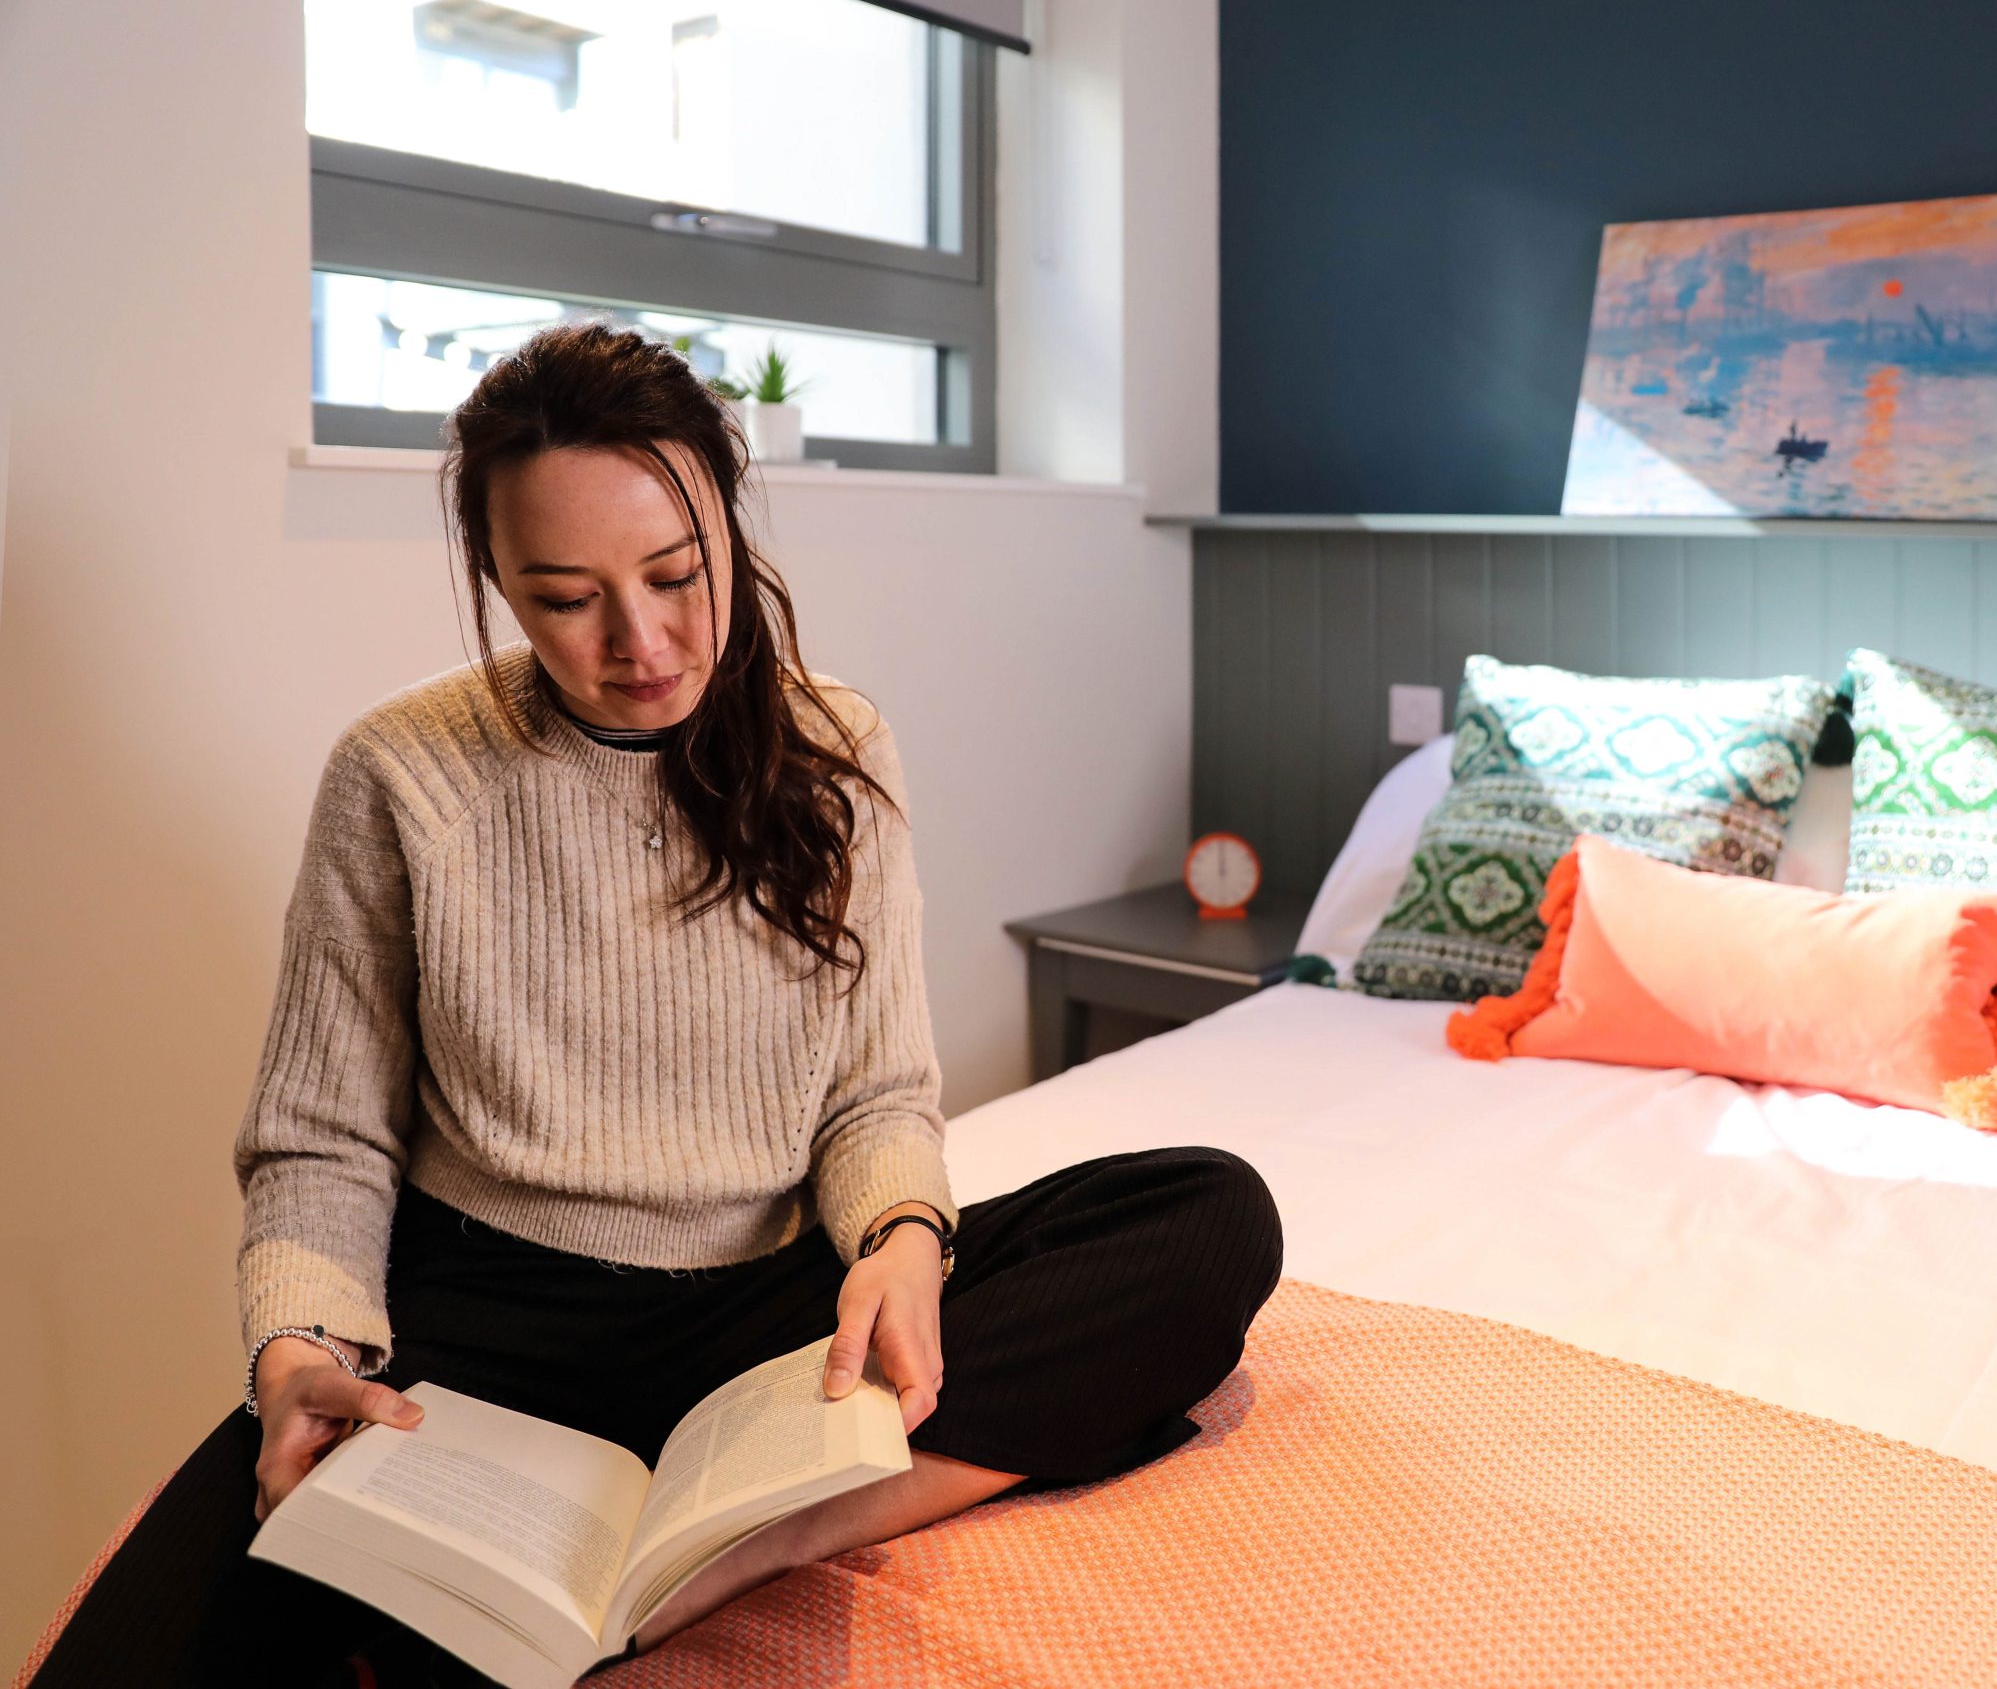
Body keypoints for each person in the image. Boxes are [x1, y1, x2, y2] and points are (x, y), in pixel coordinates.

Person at [29, 322, 1284, 1687]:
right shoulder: (401, 777)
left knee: (1207, 1217)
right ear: (498, 581)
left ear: (728, 529)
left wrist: (905, 1236)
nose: (643, 642)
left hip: (765, 1327)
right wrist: (296, 1352)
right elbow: (324, 1144)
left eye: (678, 574)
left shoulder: (836, 750)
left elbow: (876, 1098)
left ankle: (766, 1539)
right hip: (480, 1336)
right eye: (567, 597)